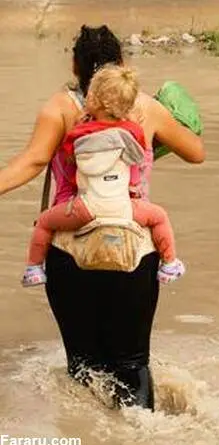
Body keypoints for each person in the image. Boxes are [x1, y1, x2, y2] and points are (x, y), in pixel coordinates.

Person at [0, 25, 205, 409]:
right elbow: (196, 152)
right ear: (123, 65)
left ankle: (84, 442)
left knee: (83, 366)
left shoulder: (60, 108)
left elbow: (32, 162)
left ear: (75, 66)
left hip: (69, 249)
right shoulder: (146, 107)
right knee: (132, 363)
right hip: (133, 248)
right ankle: (142, 441)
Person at [24, 65, 183, 288]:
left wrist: (82, 124)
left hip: (86, 207)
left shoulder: (77, 133)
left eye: (89, 93)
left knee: (44, 223)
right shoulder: (134, 132)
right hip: (125, 207)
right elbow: (136, 168)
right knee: (159, 217)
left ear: (98, 101)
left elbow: (72, 168)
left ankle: (34, 267)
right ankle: (169, 263)